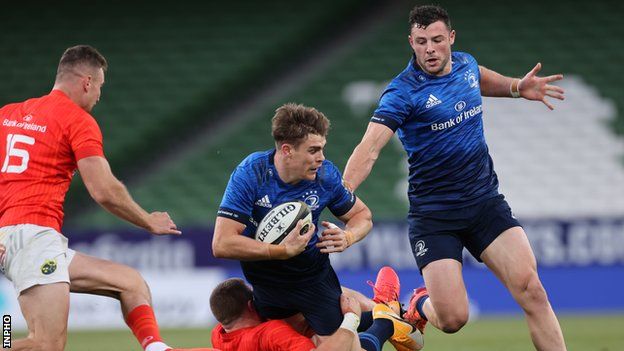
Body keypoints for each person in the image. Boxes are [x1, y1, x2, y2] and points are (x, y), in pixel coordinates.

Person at [343, 5, 567, 351]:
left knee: (532, 290)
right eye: (420, 42)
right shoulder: (403, 93)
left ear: (450, 38)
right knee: (452, 320)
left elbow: (477, 76)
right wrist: (343, 193)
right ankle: (418, 303)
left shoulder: (464, 64)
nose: (429, 49)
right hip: (435, 216)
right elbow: (369, 147)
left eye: (436, 40)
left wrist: (515, 87)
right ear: (411, 43)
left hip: (484, 203)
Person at [0, 45, 211, 351]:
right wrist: (147, 221)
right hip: (33, 238)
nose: (99, 95)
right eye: (99, 86)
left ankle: (156, 348)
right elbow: (104, 190)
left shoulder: (8, 115)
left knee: (130, 282)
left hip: (20, 238)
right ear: (87, 82)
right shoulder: (77, 120)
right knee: (46, 345)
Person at [213, 103, 415, 350]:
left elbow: (363, 216)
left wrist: (348, 237)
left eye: (322, 149)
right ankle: (387, 312)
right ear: (287, 150)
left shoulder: (325, 176)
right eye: (313, 150)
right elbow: (222, 243)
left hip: (311, 281)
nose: (321, 158)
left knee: (341, 348)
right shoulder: (252, 174)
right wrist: (281, 251)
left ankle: (387, 320)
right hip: (265, 285)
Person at [209, 272, 422, 351]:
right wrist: (351, 318)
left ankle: (385, 308)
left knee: (307, 314)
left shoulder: (219, 336)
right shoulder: (272, 332)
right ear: (249, 305)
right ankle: (386, 319)